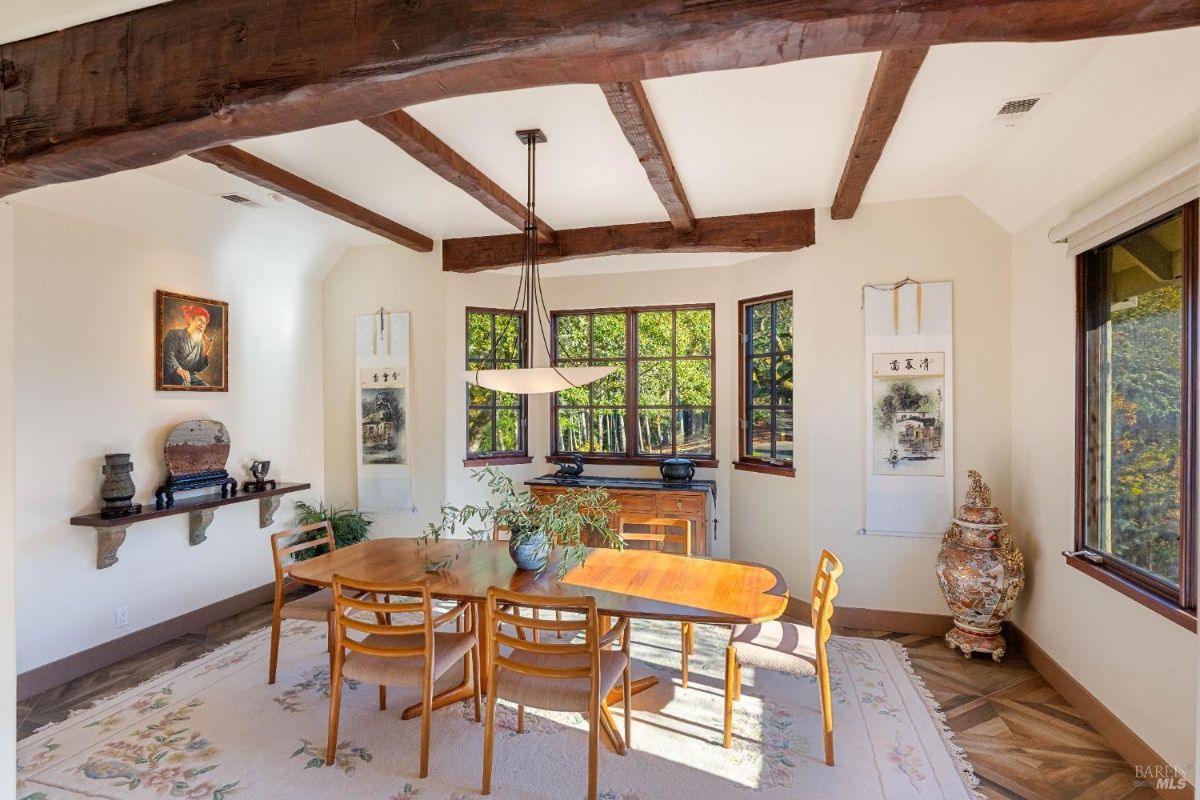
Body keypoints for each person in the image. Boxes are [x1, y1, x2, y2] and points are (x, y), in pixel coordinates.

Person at [161, 304, 215, 386]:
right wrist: (178, 368)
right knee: (184, 382)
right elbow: (167, 354)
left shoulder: (200, 343)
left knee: (206, 387)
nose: (202, 325)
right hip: (171, 373)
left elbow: (198, 369)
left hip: (190, 376)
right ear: (191, 320)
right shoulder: (175, 334)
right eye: (200, 320)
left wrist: (205, 353)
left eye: (204, 323)